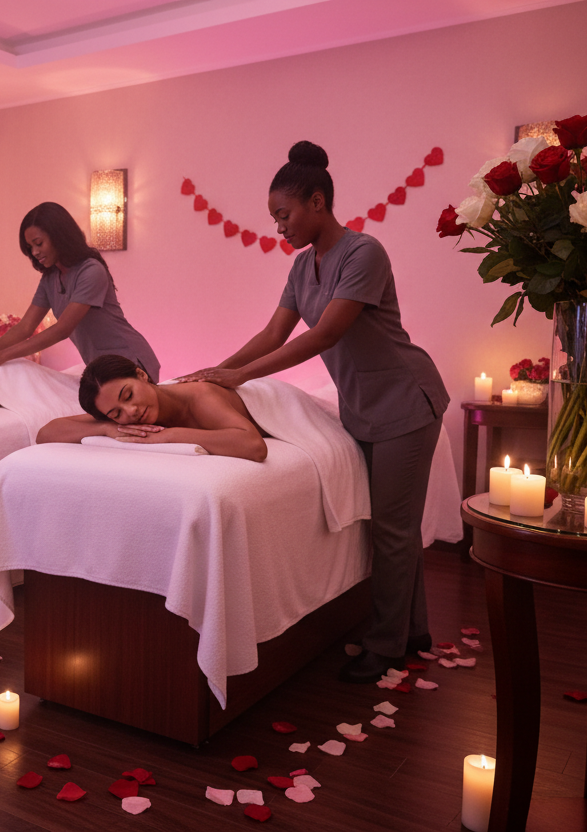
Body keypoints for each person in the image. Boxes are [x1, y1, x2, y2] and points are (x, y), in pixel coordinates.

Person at [177, 141, 449, 684]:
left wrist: (240, 377)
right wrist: (216, 371)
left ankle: (385, 647)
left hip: (406, 400)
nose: (279, 227)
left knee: (392, 530)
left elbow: (324, 334)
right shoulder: (303, 266)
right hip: (362, 407)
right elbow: (274, 333)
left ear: (317, 202)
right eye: (275, 218)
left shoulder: (364, 253)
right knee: (393, 527)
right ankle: (412, 633)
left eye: (284, 215)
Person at [0, 202, 161, 382]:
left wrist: (2, 356)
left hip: (131, 361)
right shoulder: (50, 278)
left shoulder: (91, 271)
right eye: (30, 247)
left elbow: (62, 329)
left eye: (39, 243)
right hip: (102, 369)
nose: (34, 252)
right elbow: (25, 327)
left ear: (59, 236)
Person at [36, 355, 267, 462]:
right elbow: (46, 433)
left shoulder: (200, 396)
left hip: (273, 399)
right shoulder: (119, 416)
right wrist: (106, 428)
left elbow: (254, 446)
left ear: (141, 375)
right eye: (116, 413)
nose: (131, 411)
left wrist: (169, 435)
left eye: (128, 395)